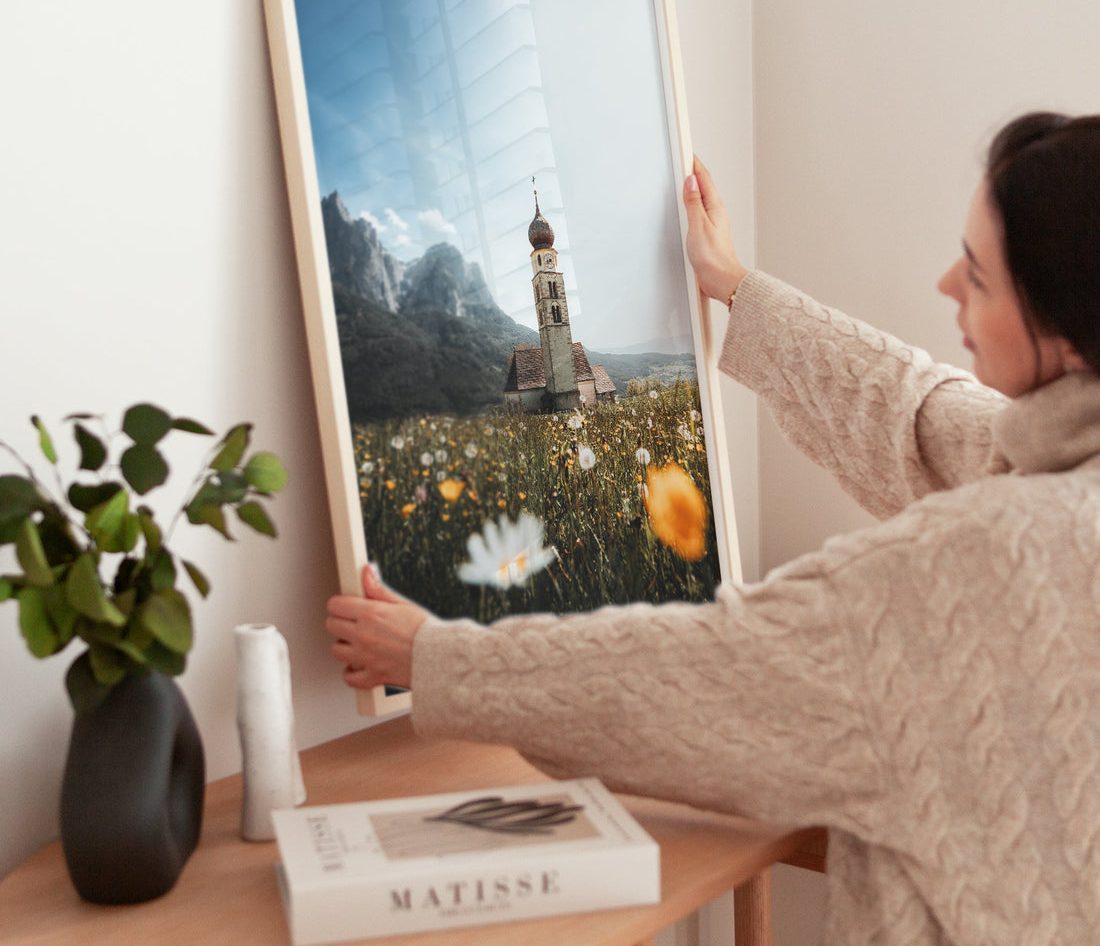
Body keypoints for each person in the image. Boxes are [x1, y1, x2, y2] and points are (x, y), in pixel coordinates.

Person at [326, 112, 1100, 945]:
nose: (948, 283)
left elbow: (704, 673)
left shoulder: (978, 563)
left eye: (980, 277)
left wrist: (435, 658)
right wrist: (735, 285)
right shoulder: (1061, 465)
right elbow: (916, 413)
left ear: (1065, 334)